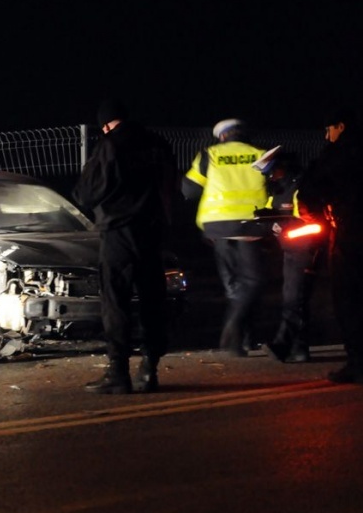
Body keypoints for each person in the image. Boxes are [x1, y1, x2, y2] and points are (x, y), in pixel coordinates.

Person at [73, 98, 178, 394]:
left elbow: (86, 193)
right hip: (153, 232)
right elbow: (171, 186)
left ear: (105, 125)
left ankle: (118, 371)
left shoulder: (111, 146)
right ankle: (149, 369)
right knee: (152, 301)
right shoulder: (159, 144)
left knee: (116, 301)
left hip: (119, 233)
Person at [181, 119, 268, 357]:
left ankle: (240, 339)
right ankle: (234, 327)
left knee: (233, 285)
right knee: (253, 281)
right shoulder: (260, 155)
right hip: (250, 226)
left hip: (217, 228)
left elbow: (189, 190)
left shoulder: (209, 155)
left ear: (222, 137)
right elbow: (276, 185)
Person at [296, 105, 363, 384]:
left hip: (351, 235)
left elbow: (310, 190)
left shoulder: (338, 156)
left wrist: (318, 221)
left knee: (349, 299)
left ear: (341, 127)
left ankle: (357, 363)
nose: (326, 136)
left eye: (329, 129)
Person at [251, 146, 325, 363]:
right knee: (294, 298)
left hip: (305, 250)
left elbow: (315, 226)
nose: (269, 176)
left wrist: (285, 229)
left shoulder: (302, 187)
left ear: (283, 167)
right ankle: (300, 349)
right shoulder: (278, 190)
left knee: (295, 298)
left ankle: (283, 345)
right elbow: (271, 218)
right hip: (290, 251)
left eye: (272, 171)